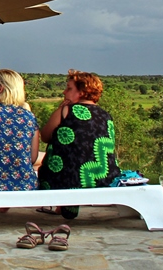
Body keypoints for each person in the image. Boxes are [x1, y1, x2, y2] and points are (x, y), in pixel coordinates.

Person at [37, 70, 122, 219]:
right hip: (104, 178)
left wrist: (59, 109)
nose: (64, 92)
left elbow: (44, 136)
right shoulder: (106, 115)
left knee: (56, 155)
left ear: (82, 92)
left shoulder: (66, 110)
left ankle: (64, 205)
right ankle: (66, 206)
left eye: (69, 88)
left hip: (66, 179)